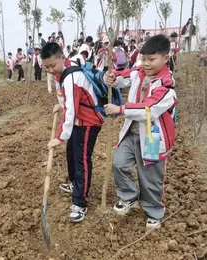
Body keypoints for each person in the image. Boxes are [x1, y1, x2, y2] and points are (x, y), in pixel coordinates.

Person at [104, 34, 177, 229]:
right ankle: (129, 196)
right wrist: (110, 77)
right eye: (144, 59)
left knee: (150, 176)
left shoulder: (166, 87)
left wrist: (120, 109)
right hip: (131, 133)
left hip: (153, 137)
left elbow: (148, 109)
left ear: (165, 59)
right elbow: (123, 77)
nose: (146, 63)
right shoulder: (139, 72)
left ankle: (153, 210)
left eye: (152, 59)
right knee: (119, 164)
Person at [41, 42, 103, 223]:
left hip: (88, 122)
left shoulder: (71, 78)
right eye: (47, 67)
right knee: (71, 153)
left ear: (62, 57)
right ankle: (76, 184)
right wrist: (62, 104)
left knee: (81, 159)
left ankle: (80, 202)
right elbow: (72, 102)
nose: (51, 70)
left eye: (53, 65)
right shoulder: (65, 71)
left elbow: (72, 112)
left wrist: (59, 137)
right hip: (79, 119)